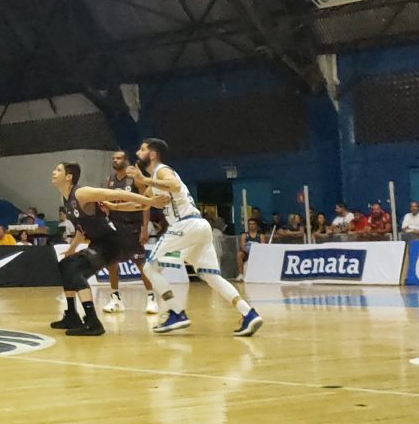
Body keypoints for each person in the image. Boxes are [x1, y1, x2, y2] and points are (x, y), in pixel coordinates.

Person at [128, 138, 263, 336]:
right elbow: (142, 204)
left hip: (186, 225)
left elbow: (173, 184)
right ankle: (248, 313)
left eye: (142, 149)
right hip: (198, 229)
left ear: (153, 154)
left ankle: (176, 312)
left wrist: (146, 180)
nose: (138, 153)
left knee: (149, 267)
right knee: (211, 276)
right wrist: (112, 205)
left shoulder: (162, 171)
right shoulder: (155, 182)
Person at [48, 161, 166, 337]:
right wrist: (72, 248)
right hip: (99, 243)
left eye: (58, 170)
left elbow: (117, 193)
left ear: (69, 176)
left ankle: (93, 323)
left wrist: (149, 201)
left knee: (73, 268)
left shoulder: (81, 192)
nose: (53, 172)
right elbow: (81, 228)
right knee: (65, 265)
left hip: (113, 242)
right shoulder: (64, 198)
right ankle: (72, 315)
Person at [101, 151, 157, 315]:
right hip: (115, 225)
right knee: (112, 263)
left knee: (141, 264)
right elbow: (107, 202)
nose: (115, 160)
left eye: (118, 158)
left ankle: (151, 298)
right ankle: (115, 299)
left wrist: (145, 228)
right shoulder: (109, 180)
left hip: (133, 225)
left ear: (126, 160)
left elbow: (145, 204)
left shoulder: (134, 178)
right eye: (113, 158)